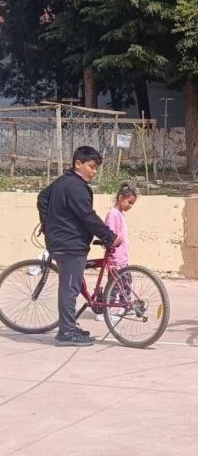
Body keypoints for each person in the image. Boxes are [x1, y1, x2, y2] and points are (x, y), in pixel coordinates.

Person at [36, 146, 120, 347]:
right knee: (70, 287)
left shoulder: (63, 181)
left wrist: (48, 226)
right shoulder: (76, 186)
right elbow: (87, 216)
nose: (94, 171)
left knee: (71, 284)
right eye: (91, 166)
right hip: (69, 244)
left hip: (63, 241)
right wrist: (109, 237)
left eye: (96, 168)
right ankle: (66, 332)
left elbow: (42, 198)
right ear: (78, 163)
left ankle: (70, 326)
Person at [96, 182, 138, 321]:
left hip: (122, 258)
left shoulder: (120, 214)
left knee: (126, 282)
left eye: (132, 204)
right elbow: (111, 235)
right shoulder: (113, 214)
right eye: (129, 202)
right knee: (114, 285)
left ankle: (125, 306)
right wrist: (113, 253)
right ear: (120, 198)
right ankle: (105, 311)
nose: (130, 206)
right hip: (115, 258)